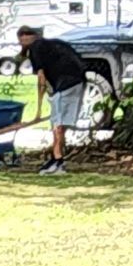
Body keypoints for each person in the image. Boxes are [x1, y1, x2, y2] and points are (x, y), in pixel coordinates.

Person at [15, 25, 89, 175]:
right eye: (21, 35)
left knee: (57, 125)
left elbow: (41, 80)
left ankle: (57, 162)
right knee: (61, 125)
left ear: (34, 36)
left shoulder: (36, 48)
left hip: (66, 85)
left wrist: (38, 110)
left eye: (26, 35)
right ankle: (56, 159)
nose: (23, 38)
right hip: (79, 82)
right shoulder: (51, 44)